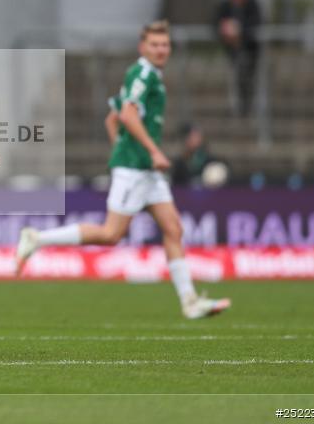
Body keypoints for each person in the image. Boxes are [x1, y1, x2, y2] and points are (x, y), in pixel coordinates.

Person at [16, 21, 230, 320]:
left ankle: (190, 301)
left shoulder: (148, 75)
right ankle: (37, 239)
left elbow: (112, 119)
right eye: (154, 44)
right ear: (143, 47)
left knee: (173, 229)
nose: (160, 49)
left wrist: (127, 147)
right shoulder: (142, 73)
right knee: (111, 233)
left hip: (145, 170)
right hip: (135, 168)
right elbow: (127, 114)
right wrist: (148, 151)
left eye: (164, 44)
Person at [215, 0, 262, 117]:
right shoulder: (225, 5)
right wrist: (226, 31)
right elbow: (215, 22)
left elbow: (257, 22)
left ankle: (249, 106)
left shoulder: (251, 4)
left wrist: (240, 30)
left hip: (250, 49)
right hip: (232, 50)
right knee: (235, 78)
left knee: (249, 78)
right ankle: (237, 108)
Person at [171, 123, 213, 187]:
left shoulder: (209, 161)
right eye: (190, 137)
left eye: (196, 137)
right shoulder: (180, 163)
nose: (193, 140)